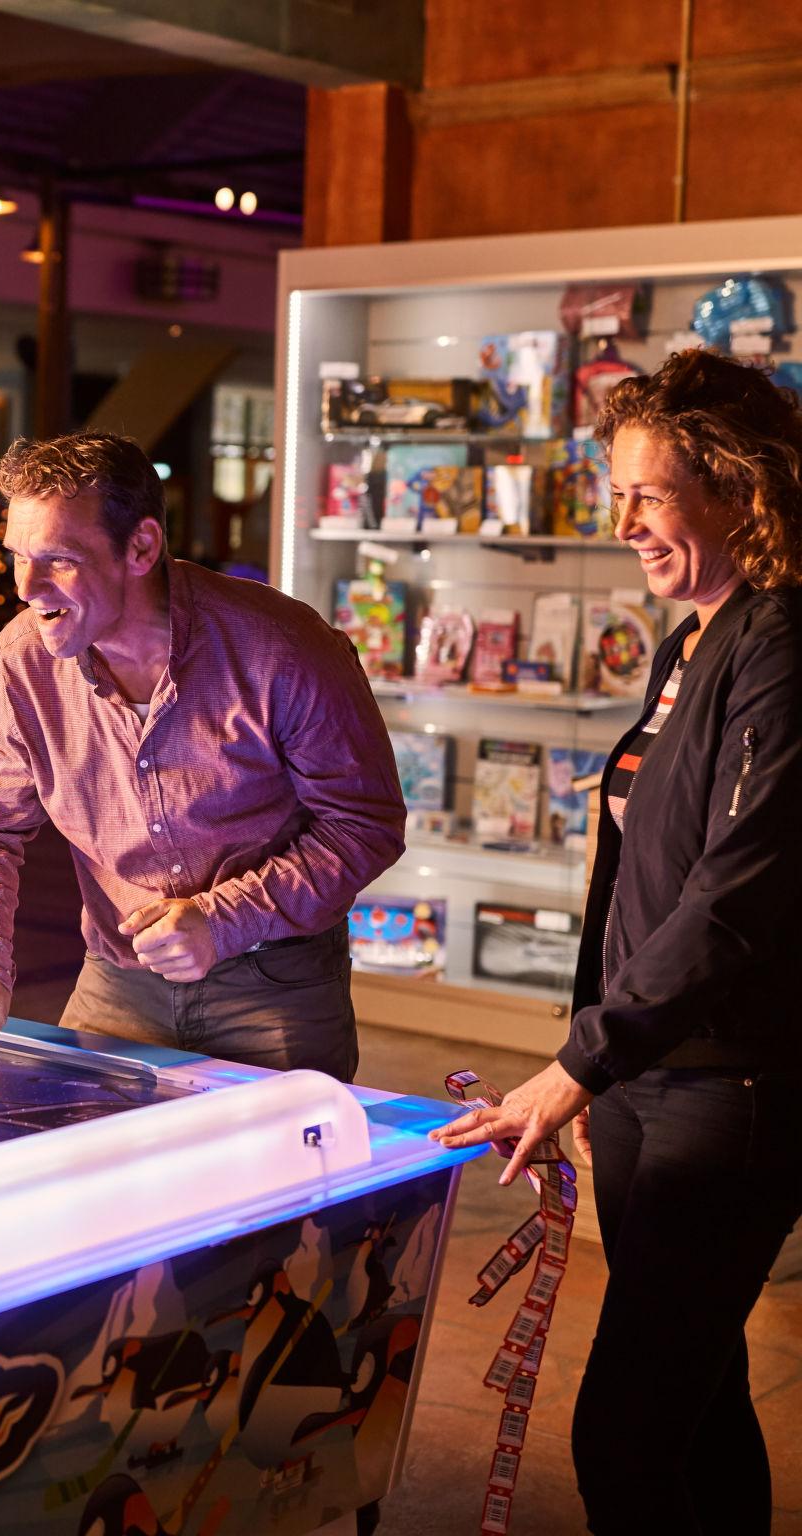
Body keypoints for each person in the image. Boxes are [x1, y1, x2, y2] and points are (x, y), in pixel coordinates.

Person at [434, 350, 802, 1535]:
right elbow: (641, 878)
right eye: (619, 492)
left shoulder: (782, 640)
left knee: (623, 1433)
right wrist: (597, 1060)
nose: (622, 522)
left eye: (647, 493)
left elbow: (734, 895)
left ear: (741, 490)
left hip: (731, 1087)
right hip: (654, 1076)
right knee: (698, 1400)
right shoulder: (689, 638)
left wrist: (577, 1065)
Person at [0, 432, 405, 1080]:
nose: (27, 587)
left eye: (59, 560)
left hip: (276, 984)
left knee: (279, 1178)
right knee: (84, 1165)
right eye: (17, 557)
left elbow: (366, 825)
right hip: (117, 978)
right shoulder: (21, 663)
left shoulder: (284, 648)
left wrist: (222, 921)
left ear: (142, 547)